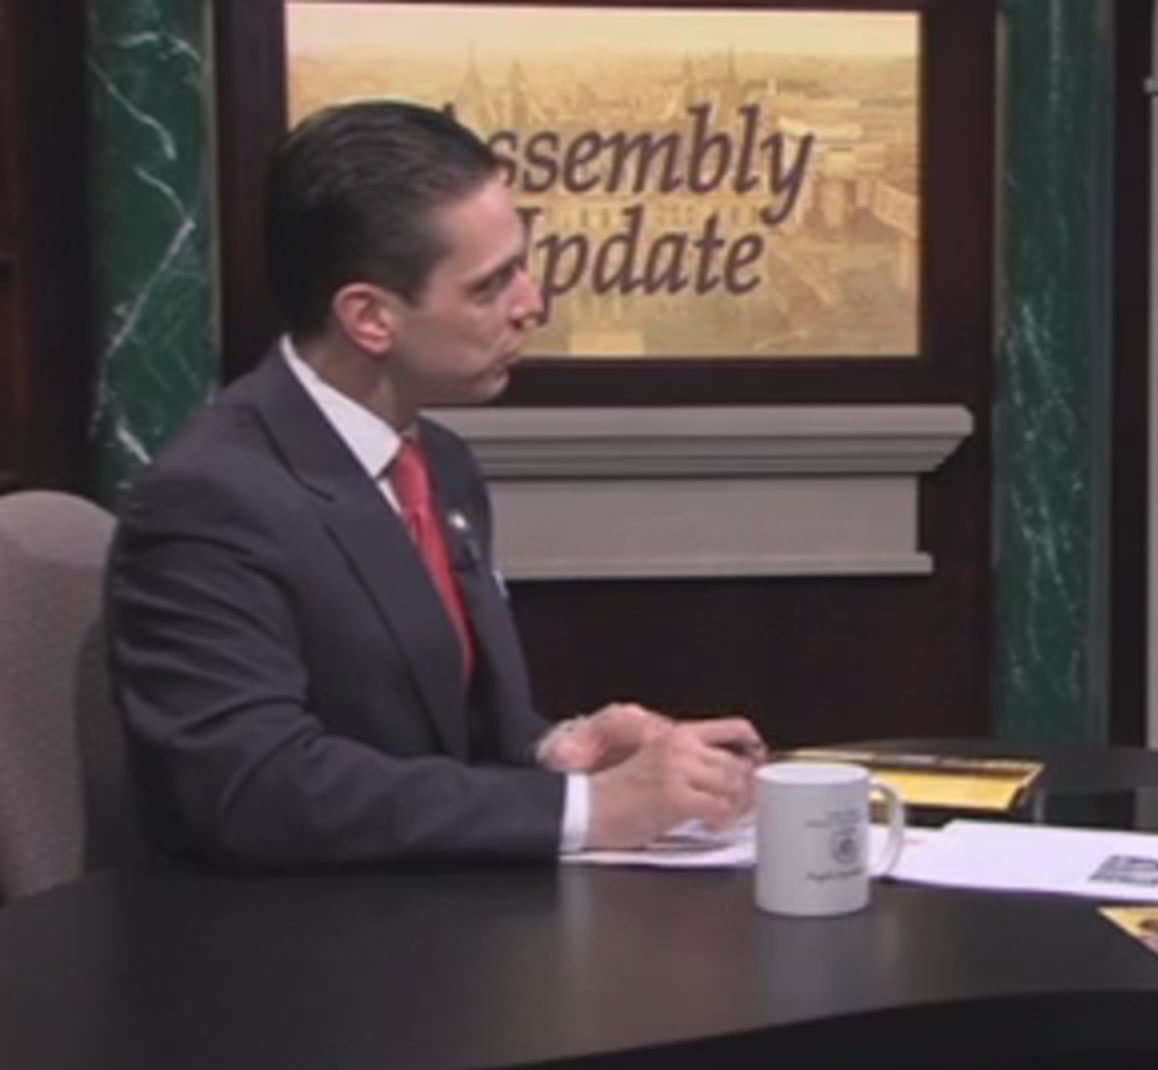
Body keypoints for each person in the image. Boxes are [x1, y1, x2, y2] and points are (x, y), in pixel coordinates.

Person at [107, 100, 766, 865]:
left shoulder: (442, 464)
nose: (532, 304)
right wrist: (592, 809)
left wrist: (559, 751)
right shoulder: (211, 499)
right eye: (490, 287)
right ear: (369, 317)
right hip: (289, 928)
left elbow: (439, 740)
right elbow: (256, 789)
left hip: (443, 904)